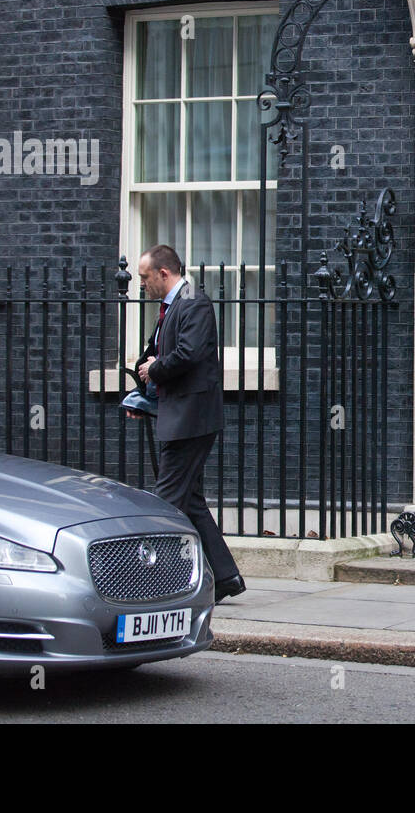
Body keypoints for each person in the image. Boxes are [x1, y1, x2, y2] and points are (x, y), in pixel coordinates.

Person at [130, 244, 245, 603]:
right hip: (178, 416)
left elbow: (188, 354)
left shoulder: (193, 300)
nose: (143, 285)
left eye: (145, 278)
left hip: (191, 420)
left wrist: (155, 369)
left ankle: (150, 583)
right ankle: (226, 578)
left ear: (164, 273)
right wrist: (142, 391)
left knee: (165, 503)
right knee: (191, 501)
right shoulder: (170, 306)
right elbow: (158, 351)